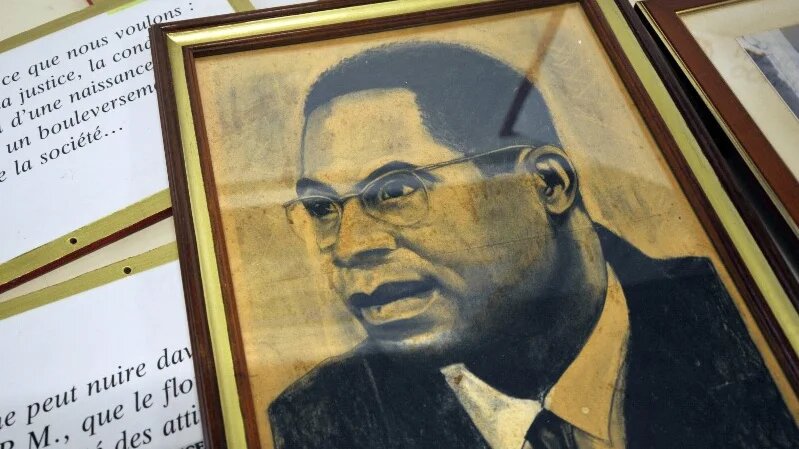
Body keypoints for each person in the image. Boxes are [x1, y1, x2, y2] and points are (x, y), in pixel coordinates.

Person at [268, 42, 798, 449]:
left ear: (547, 183)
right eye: (321, 208)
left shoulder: (754, 316)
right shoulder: (323, 420)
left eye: (397, 190)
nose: (350, 244)